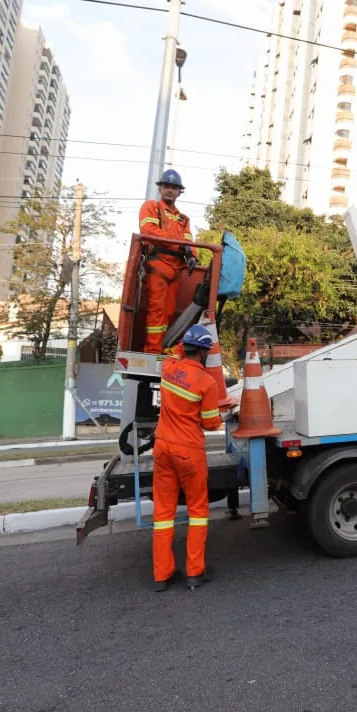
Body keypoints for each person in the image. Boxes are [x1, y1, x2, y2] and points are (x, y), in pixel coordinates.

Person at [151, 325, 223, 591]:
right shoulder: (207, 382)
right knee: (198, 512)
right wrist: (221, 414)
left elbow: (174, 352)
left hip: (162, 449)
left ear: (185, 348)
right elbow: (211, 424)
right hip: (189, 452)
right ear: (203, 353)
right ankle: (194, 573)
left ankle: (162, 576)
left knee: (163, 514)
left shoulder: (168, 368)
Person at [139, 168, 195, 353]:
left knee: (169, 312)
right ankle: (153, 350)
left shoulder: (183, 219)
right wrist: (179, 245)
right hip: (158, 266)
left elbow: (189, 241)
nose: (170, 190)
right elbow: (148, 230)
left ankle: (162, 347)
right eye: (166, 186)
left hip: (176, 270)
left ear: (179, 191)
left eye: (174, 187)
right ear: (160, 188)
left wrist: (193, 255)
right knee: (157, 311)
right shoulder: (151, 207)